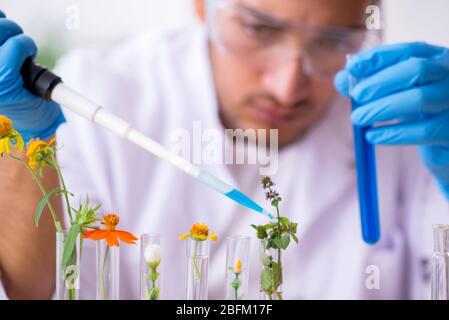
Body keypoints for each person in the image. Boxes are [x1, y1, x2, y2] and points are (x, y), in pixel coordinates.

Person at [1, 0, 449, 300]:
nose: (287, 86)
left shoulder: (411, 113)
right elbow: (36, 289)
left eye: (334, 42)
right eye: (258, 29)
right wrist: (26, 140)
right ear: (203, 6)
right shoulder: (104, 90)